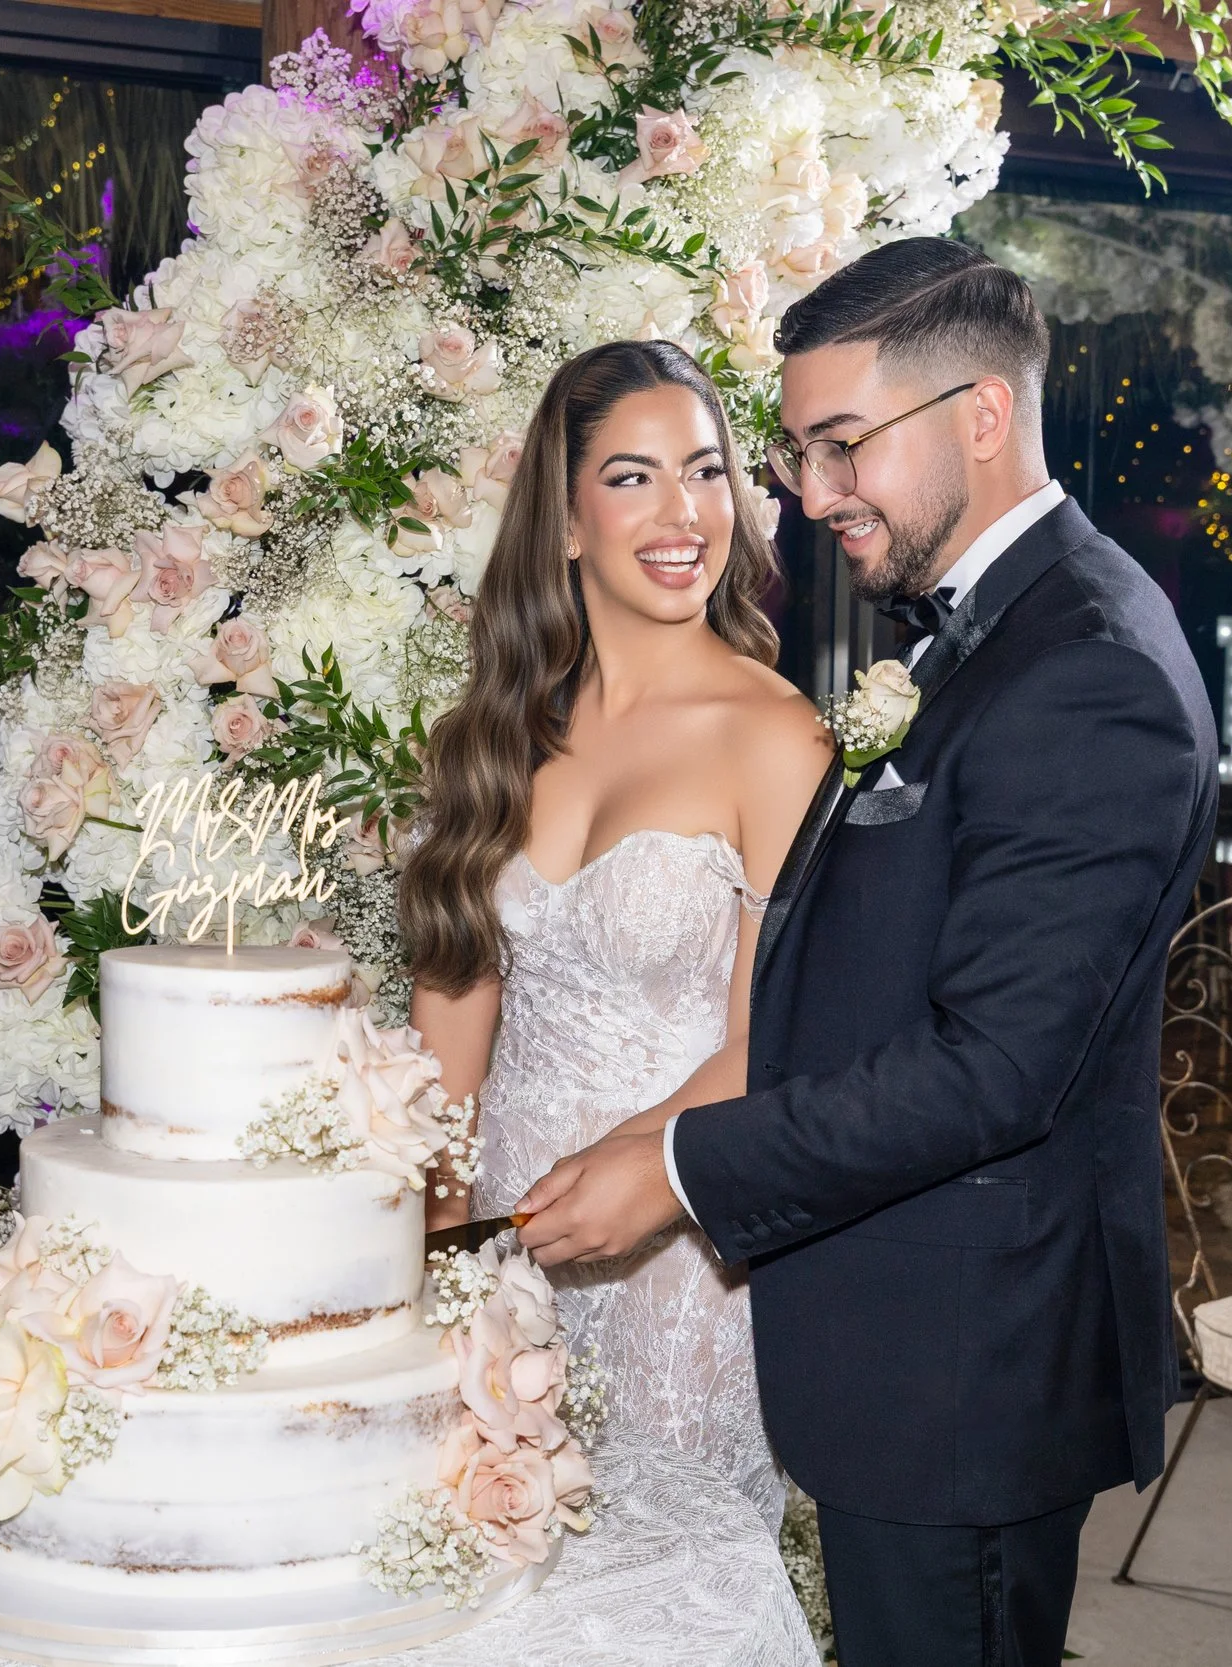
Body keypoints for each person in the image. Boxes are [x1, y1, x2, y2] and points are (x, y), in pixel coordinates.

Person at [515, 238, 1219, 1667]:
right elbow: (856, 966)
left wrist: (673, 1167)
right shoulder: (981, 635)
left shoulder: (1089, 667)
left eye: (842, 447)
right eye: (798, 449)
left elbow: (997, 1067)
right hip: (912, 1337)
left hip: (975, 1361)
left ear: (979, 414)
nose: (807, 492)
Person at [400, 338, 836, 1532]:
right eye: (633, 477)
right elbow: (447, 1042)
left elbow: (776, 1040)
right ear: (566, 520)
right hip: (499, 1246)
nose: (683, 511)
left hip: (677, 1253)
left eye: (704, 471)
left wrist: (631, 1176)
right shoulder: (497, 732)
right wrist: (444, 1236)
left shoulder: (777, 736)